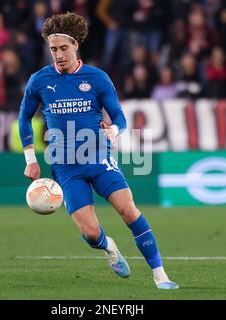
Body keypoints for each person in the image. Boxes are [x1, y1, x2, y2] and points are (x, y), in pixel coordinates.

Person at [18, 12, 178, 290]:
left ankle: (160, 273)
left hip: (98, 157)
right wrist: (31, 158)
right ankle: (109, 247)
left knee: (129, 210)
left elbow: (119, 117)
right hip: (66, 167)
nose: (58, 55)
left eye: (63, 48)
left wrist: (113, 131)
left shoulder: (97, 78)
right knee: (91, 233)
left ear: (76, 45)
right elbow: (24, 119)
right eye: (53, 49)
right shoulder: (39, 81)